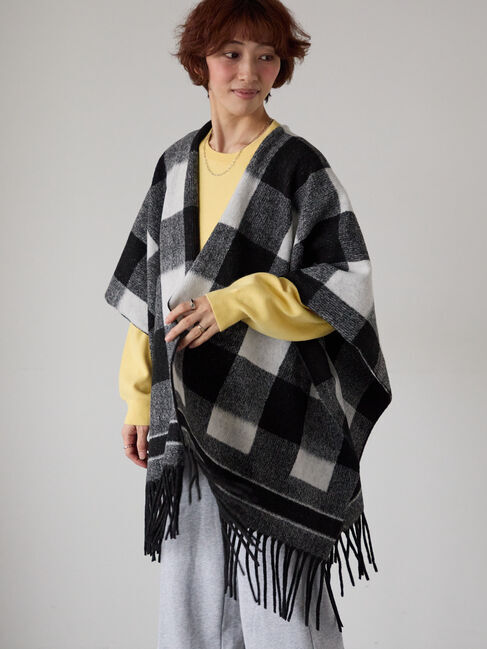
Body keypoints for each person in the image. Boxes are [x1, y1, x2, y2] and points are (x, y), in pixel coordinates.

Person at [107, 1, 392, 647]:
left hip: (279, 412)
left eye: (266, 56)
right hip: (183, 410)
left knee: (283, 616)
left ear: (280, 68)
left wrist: (239, 300)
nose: (247, 71)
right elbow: (150, 291)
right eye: (230, 54)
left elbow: (345, 285)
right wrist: (136, 396)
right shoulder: (174, 166)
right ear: (201, 62)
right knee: (190, 608)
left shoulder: (297, 166)